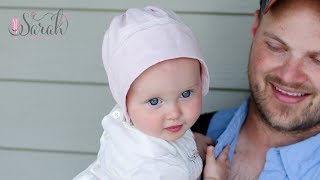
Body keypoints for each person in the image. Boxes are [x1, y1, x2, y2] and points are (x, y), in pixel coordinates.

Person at [73, 6, 229, 180]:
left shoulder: (143, 123)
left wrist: (190, 143)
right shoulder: (154, 169)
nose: (174, 113)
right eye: (154, 101)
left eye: (185, 94)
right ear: (125, 102)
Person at [194, 0, 320, 179]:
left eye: (317, 60)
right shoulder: (175, 142)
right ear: (255, 27)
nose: (288, 76)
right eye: (275, 47)